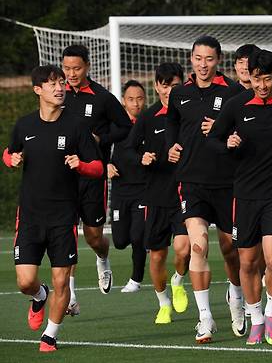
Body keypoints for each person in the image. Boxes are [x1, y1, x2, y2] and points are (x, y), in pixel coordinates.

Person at [209, 49, 272, 345]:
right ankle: (255, 319)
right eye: (257, 79)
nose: (263, 85)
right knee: (247, 262)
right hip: (244, 195)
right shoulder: (235, 105)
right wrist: (228, 143)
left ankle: (271, 313)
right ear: (249, 76)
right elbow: (213, 139)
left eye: (267, 79)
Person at [3, 65, 103, 352]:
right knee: (25, 282)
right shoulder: (24, 125)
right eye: (52, 84)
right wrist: (11, 159)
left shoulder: (76, 126)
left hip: (63, 217)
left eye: (61, 83)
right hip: (31, 216)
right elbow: (9, 153)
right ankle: (39, 295)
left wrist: (81, 165)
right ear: (38, 90)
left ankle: (50, 335)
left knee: (63, 280)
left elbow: (97, 168)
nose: (59, 88)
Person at [166, 35, 245, 342]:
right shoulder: (179, 93)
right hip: (191, 182)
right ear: (191, 59)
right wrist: (172, 145)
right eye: (198, 58)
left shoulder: (233, 92)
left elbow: (245, 127)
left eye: (209, 59)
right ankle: (205, 319)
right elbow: (173, 123)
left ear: (218, 61)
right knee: (198, 245)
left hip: (227, 183)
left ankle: (236, 298)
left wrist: (225, 132)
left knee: (231, 249)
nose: (203, 64)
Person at [61, 44, 133, 314]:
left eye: (76, 68)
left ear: (87, 67)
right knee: (65, 234)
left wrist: (101, 139)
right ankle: (69, 296)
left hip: (93, 176)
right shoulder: (58, 95)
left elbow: (125, 127)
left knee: (93, 237)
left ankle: (103, 258)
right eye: (66, 68)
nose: (71, 73)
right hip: (64, 176)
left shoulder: (102, 97)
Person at [126, 63, 191, 324]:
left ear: (182, 86)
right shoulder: (148, 116)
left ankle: (178, 280)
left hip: (184, 192)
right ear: (156, 87)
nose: (168, 90)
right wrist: (142, 156)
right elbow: (128, 149)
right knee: (157, 257)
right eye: (164, 85)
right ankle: (163, 303)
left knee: (184, 249)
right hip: (155, 195)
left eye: (174, 85)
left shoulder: (189, 115)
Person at [108, 80, 147, 292]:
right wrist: (106, 164)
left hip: (143, 189)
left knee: (137, 236)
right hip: (121, 190)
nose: (136, 103)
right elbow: (99, 148)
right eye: (131, 99)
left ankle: (136, 279)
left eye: (140, 99)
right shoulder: (116, 125)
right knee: (121, 240)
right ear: (124, 101)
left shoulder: (150, 123)